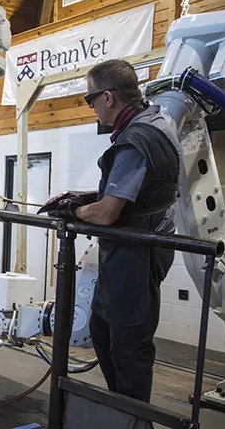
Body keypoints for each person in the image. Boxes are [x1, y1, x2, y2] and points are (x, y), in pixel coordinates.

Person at [39, 59, 182, 406]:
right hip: (128, 249)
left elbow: (106, 214)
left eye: (90, 101)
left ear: (108, 97)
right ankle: (120, 411)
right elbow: (137, 192)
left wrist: (71, 211)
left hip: (136, 252)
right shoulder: (156, 121)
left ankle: (133, 418)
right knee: (102, 333)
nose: (91, 109)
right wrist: (88, 197)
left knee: (128, 346)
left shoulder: (136, 139)